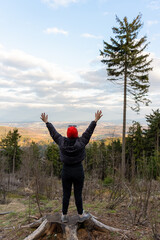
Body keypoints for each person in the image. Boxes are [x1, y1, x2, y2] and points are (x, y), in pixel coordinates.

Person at [40, 110, 103, 223]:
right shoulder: (81, 142)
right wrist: (95, 120)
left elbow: (54, 133)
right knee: (78, 193)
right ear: (77, 134)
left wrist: (47, 123)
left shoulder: (62, 142)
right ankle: (80, 215)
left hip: (66, 171)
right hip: (78, 170)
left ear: (68, 134)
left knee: (66, 193)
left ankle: (64, 216)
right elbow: (89, 132)